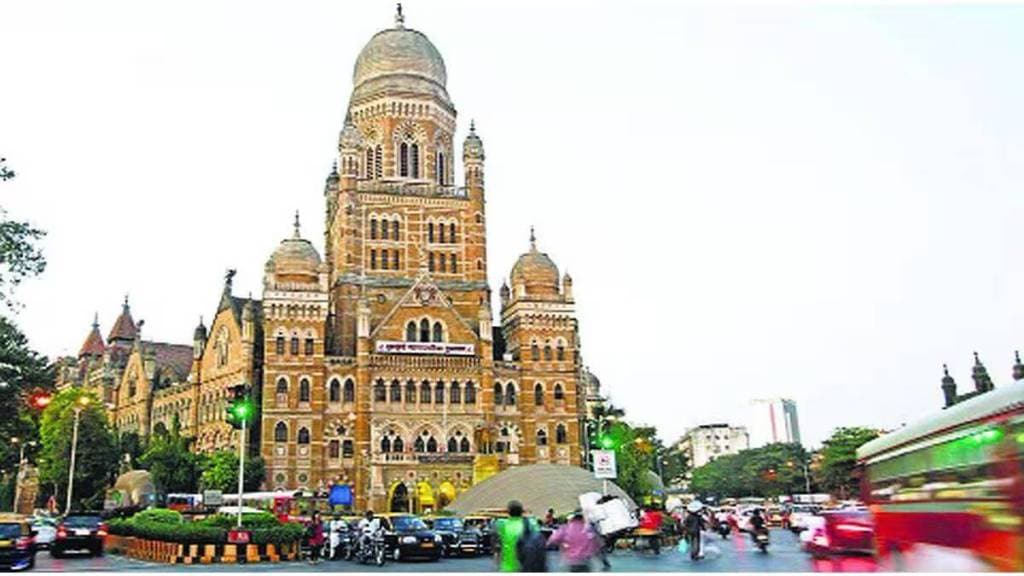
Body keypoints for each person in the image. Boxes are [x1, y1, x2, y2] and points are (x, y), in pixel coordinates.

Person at [495, 500, 543, 572]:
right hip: (527, 567)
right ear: (521, 512)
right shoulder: (531, 524)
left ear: (508, 512)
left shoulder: (502, 524)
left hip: (508, 567)